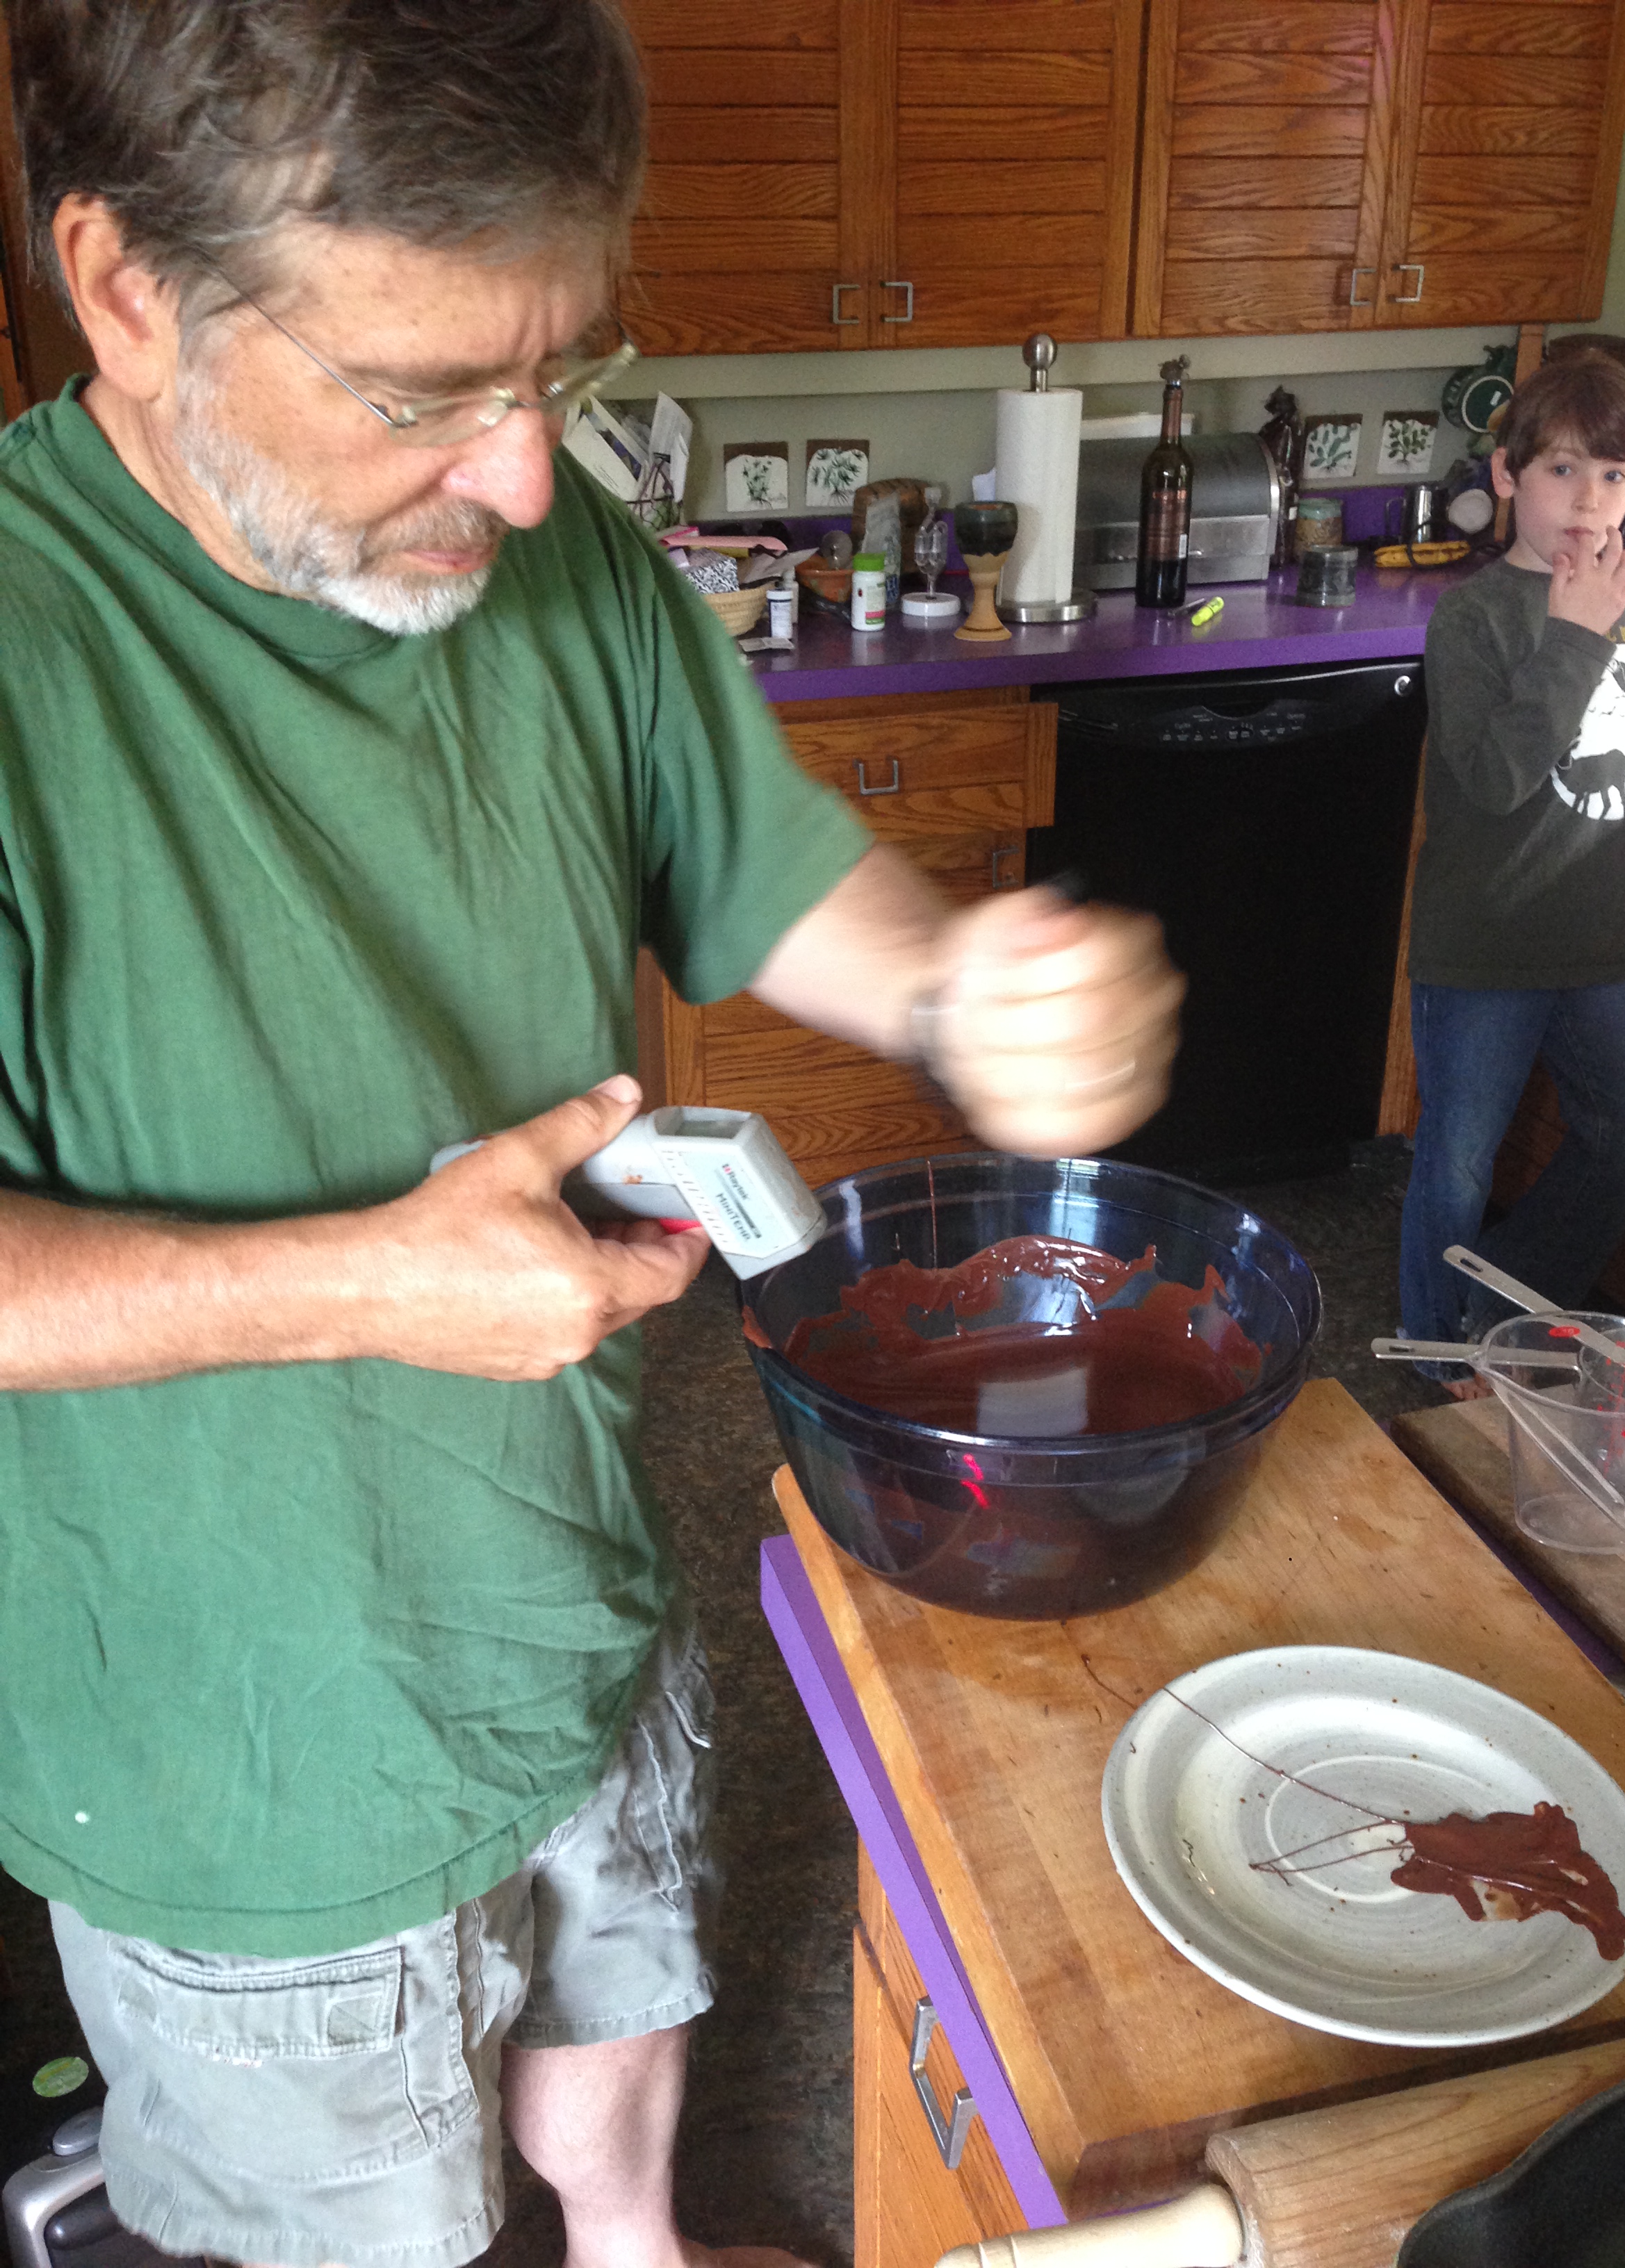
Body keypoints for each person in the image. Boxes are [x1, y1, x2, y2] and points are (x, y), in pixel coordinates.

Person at [0, 6, 1185, 2267]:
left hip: (571, 1582)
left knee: (621, 2024)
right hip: (246, 1754)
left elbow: (747, 852)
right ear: (128, 290)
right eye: (423, 392)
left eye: (564, 369)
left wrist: (953, 987)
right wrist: (363, 1282)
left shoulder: (541, 550)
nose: (532, 478)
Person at [1399, 353, 1625, 1394]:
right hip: (1488, 941)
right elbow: (1493, 779)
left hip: (1601, 937)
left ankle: (1504, 1307)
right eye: (1563, 470)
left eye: (1613, 476)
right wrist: (1572, 635)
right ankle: (1437, 1361)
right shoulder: (1474, 618)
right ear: (1508, 474)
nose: (1587, 499)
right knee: (1457, 1163)